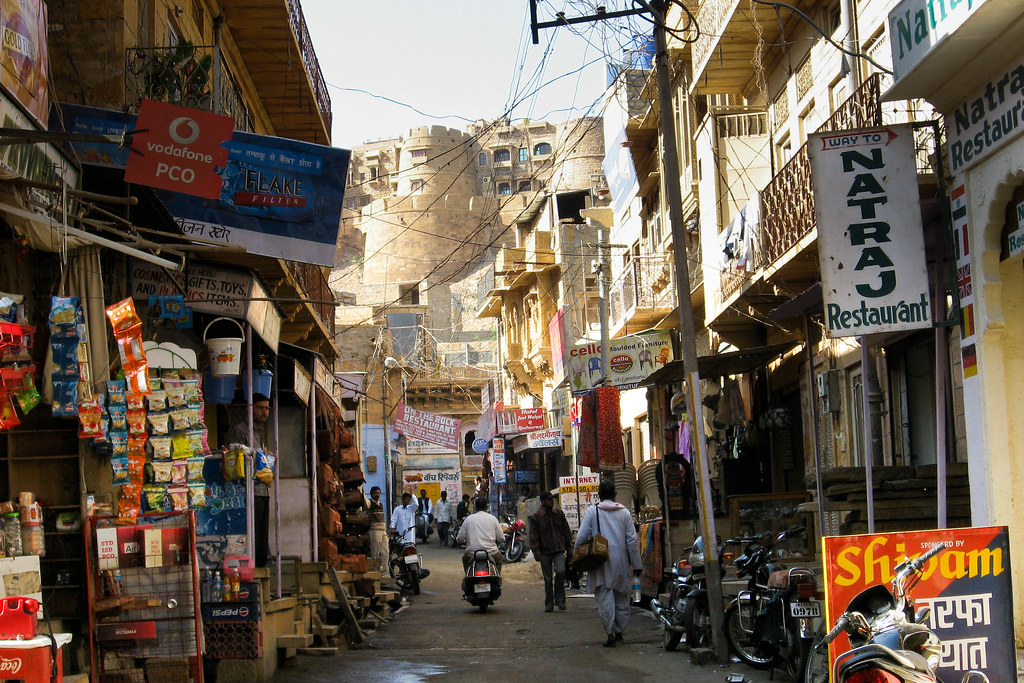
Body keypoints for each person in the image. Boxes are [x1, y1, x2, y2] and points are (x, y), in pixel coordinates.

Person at [574, 480, 641, 647]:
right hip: (620, 560)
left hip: (600, 559)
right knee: (621, 596)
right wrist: (637, 564)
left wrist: (576, 555)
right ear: (615, 494)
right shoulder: (624, 512)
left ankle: (609, 633)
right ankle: (619, 631)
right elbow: (632, 540)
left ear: (599, 495)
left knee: (604, 597)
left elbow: (582, 536)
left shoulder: (593, 511)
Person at [228, 392, 271, 567]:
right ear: (251, 409)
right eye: (261, 408)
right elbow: (235, 453)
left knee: (262, 532)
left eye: (267, 409)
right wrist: (254, 454)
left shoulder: (263, 432)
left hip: (263, 488)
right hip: (247, 489)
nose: (265, 412)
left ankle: (262, 564)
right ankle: (252, 566)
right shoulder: (241, 430)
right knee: (251, 531)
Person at [529, 490, 573, 612]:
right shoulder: (536, 517)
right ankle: (549, 603)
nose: (551, 501)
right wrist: (536, 551)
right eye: (549, 499)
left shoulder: (559, 514)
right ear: (542, 501)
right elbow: (533, 536)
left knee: (560, 572)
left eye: (551, 499)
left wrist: (569, 548)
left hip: (559, 548)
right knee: (548, 578)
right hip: (544, 551)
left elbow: (566, 532)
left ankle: (560, 600)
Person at [456, 497, 505, 573]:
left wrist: (460, 541)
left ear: (475, 507)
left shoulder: (469, 519)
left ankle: (468, 577)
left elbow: (460, 538)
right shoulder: (493, 519)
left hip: (471, 553)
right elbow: (501, 538)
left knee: (465, 560)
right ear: (487, 507)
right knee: (499, 560)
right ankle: (497, 577)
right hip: (491, 552)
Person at [367, 486, 387, 571]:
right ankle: (374, 572)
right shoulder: (369, 502)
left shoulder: (380, 504)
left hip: (383, 530)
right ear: (371, 494)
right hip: (374, 530)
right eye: (375, 493)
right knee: (375, 552)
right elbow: (364, 501)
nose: (377, 494)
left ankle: (383, 571)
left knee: (385, 552)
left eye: (378, 493)